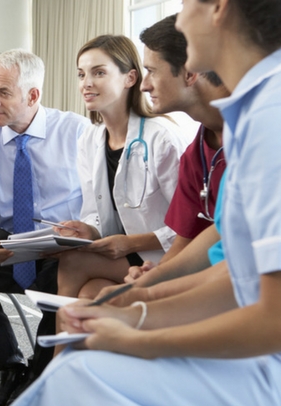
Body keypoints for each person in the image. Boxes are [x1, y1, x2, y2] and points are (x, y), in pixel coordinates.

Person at [6, 0, 281, 406]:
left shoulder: (278, 114)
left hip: (280, 371)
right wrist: (132, 311)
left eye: (184, 5)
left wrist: (141, 337)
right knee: (84, 353)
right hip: (264, 348)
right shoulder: (258, 111)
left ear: (218, 8)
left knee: (78, 374)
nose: (179, 20)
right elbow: (240, 275)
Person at [0, 49, 89, 406]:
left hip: (65, 247)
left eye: (4, 92)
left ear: (32, 95)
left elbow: (99, 202)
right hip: (14, 246)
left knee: (65, 282)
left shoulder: (76, 133)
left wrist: (84, 231)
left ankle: (39, 379)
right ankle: (10, 367)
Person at [90, 15, 231, 306]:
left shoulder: (251, 135)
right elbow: (189, 234)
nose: (144, 85)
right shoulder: (199, 152)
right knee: (96, 306)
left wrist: (155, 286)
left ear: (190, 72)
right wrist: (156, 275)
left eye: (151, 71)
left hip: (238, 291)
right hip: (210, 279)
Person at [54, 35, 184, 299]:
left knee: (73, 263)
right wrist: (86, 229)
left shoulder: (161, 138)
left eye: (98, 73)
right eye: (81, 75)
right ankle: (66, 340)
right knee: (90, 294)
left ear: (130, 78)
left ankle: (60, 341)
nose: (86, 84)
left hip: (166, 257)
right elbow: (94, 213)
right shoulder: (89, 140)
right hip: (124, 254)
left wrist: (130, 243)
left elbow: (189, 225)